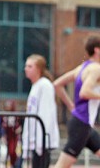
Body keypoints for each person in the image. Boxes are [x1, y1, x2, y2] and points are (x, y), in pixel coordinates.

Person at [53, 36, 100, 168]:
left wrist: (71, 106)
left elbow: (57, 84)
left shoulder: (81, 68)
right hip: (82, 124)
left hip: (83, 124)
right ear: (97, 50)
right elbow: (84, 92)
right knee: (62, 165)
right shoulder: (96, 68)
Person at [22, 54, 59, 168]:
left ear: (38, 69)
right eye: (26, 66)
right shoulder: (36, 85)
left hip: (41, 140)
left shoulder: (45, 85)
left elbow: (45, 114)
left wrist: (40, 141)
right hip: (35, 139)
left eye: (30, 66)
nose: (26, 69)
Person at [1, 99, 22, 168]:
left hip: (15, 137)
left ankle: (15, 164)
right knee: (7, 152)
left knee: (14, 151)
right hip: (7, 136)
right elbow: (2, 126)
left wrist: (18, 129)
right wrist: (3, 135)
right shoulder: (4, 116)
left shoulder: (15, 115)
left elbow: (19, 126)